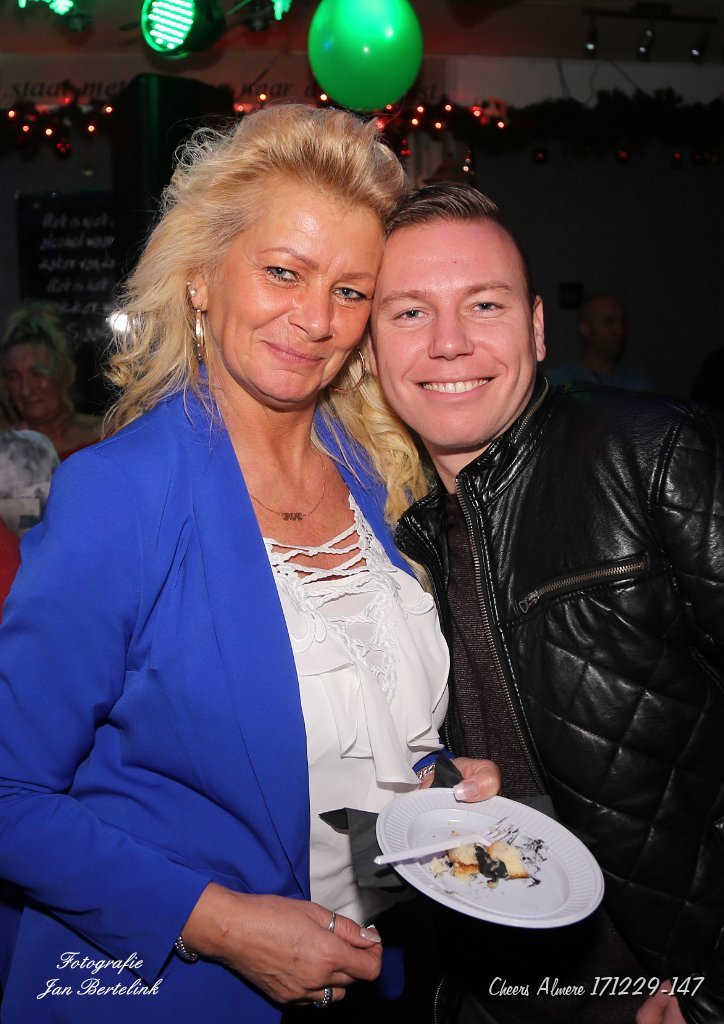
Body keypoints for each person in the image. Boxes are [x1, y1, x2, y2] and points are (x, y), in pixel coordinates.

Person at [0, 109, 500, 1024]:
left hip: (371, 980)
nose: (316, 320)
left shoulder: (379, 471)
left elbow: (331, 736)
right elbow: (9, 794)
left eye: (350, 291)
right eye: (283, 272)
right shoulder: (120, 493)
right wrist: (225, 927)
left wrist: (431, 790)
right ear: (201, 274)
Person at [367, 182, 724, 1024]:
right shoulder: (402, 535)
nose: (448, 343)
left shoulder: (651, 456)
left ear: (534, 327)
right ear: (370, 351)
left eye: (483, 305)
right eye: (410, 313)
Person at [0, 302, 102, 459]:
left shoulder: (109, 434)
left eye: (37, 373)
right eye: (14, 377)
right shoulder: (7, 452)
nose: (26, 391)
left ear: (63, 372)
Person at [546, 291, 656, 391]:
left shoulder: (638, 382)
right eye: (609, 322)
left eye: (622, 322)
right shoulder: (559, 382)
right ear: (585, 329)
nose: (620, 330)